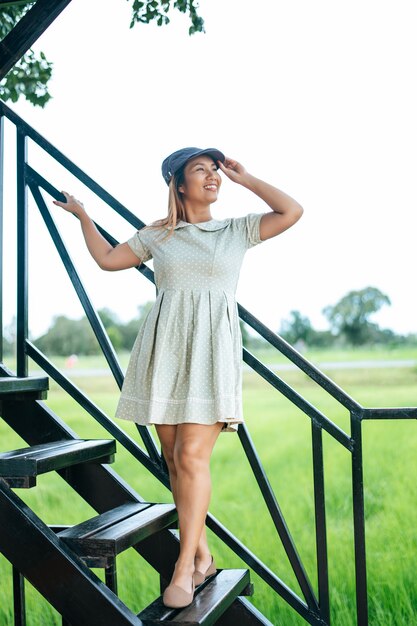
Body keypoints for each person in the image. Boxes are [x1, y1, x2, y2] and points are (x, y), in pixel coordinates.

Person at [53, 147, 303, 608]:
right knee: (173, 457)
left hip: (211, 353)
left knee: (191, 456)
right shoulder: (158, 235)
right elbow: (108, 260)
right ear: (178, 184)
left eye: (215, 171)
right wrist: (84, 216)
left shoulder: (236, 229)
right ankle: (203, 552)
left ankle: (184, 565)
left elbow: (291, 211)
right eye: (200, 171)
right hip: (163, 351)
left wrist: (245, 178)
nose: (212, 177)